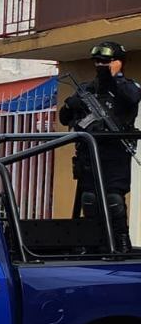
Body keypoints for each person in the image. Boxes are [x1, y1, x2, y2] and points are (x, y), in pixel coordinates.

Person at [59, 41, 141, 238]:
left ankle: (120, 242)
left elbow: (132, 99)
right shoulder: (87, 89)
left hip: (115, 155)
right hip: (89, 154)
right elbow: (64, 119)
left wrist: (114, 80)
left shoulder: (128, 87)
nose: (101, 66)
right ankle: (94, 242)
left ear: (119, 62)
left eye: (106, 62)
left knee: (113, 201)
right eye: (97, 62)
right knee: (89, 200)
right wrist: (71, 105)